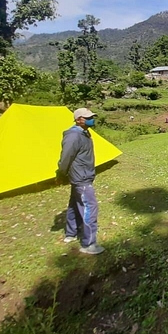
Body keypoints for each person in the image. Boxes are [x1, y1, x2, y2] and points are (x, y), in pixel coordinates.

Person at [56, 107, 105, 255]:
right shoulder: (74, 136)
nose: (91, 119)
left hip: (82, 175)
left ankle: (71, 233)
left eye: (92, 116)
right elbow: (66, 157)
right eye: (87, 117)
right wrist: (61, 173)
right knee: (90, 206)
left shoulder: (84, 133)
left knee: (74, 203)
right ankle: (88, 244)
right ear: (78, 120)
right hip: (81, 178)